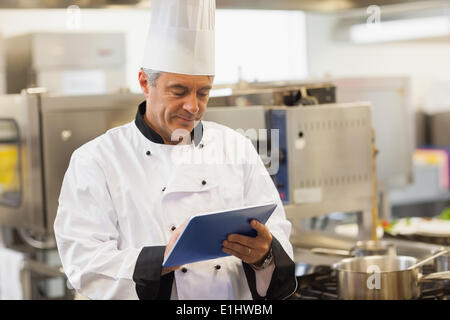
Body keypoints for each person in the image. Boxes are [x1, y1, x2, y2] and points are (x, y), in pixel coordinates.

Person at [54, 0, 296, 300]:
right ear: (145, 82)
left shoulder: (236, 147)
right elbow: (84, 262)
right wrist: (161, 260)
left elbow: (278, 232)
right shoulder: (96, 160)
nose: (193, 106)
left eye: (203, 93)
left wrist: (264, 255)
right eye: (179, 91)